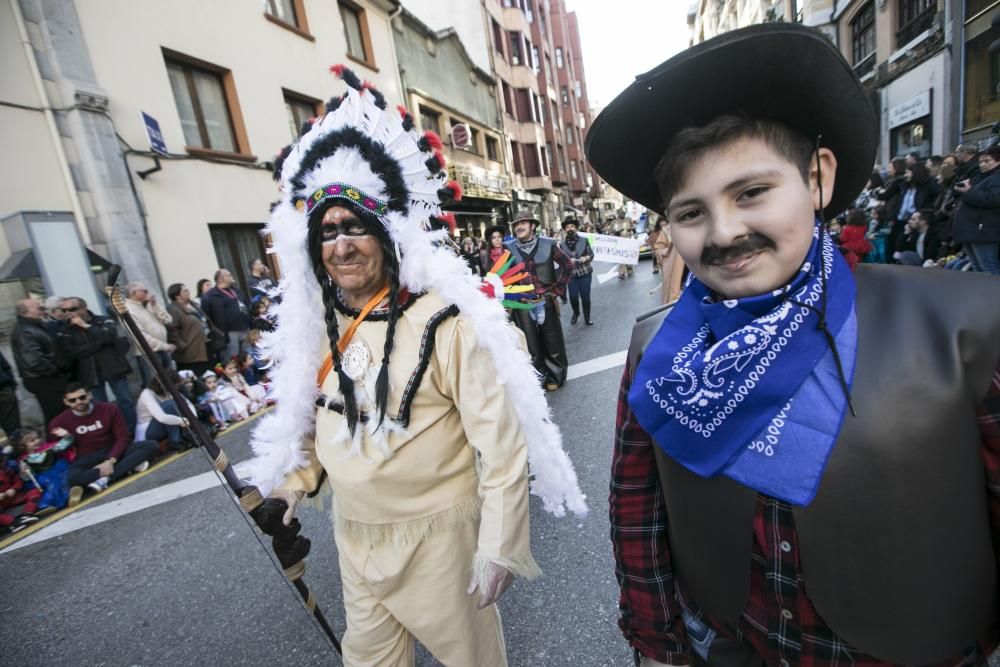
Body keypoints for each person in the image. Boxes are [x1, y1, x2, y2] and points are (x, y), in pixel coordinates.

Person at [587, 23, 1000, 665]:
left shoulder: (967, 325)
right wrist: (659, 645)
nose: (723, 233)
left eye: (751, 193)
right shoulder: (657, 350)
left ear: (817, 180)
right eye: (690, 213)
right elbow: (637, 508)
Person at [245, 65, 584, 666]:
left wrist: (498, 546)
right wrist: (287, 492)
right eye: (327, 232)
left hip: (441, 541)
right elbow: (317, 419)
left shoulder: (447, 323)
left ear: (387, 234)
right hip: (355, 539)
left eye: (355, 227)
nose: (341, 245)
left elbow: (500, 446)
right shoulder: (318, 329)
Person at [504, 210, 573, 391]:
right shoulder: (508, 248)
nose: (519, 227)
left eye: (523, 223)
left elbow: (568, 265)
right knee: (530, 345)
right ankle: (538, 380)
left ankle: (556, 376)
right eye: (516, 224)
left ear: (532, 225)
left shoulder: (548, 245)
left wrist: (558, 289)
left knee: (553, 342)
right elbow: (502, 275)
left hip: (545, 299)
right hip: (523, 304)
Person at [50, 383, 158, 496]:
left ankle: (104, 479)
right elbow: (55, 450)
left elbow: (123, 437)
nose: (78, 402)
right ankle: (125, 468)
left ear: (89, 395)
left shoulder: (109, 409)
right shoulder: (58, 422)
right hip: (86, 458)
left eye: (82, 397)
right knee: (73, 478)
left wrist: (110, 461)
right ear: (66, 402)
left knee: (150, 446)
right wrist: (66, 438)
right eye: (73, 400)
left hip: (112, 451)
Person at [55, 296, 137, 434]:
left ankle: (133, 432)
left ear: (83, 308)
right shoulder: (64, 330)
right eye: (64, 310)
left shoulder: (102, 320)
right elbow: (74, 352)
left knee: (126, 401)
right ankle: (112, 434)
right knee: (99, 407)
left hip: (112, 367)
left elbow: (109, 336)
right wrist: (99, 344)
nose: (68, 313)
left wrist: (86, 326)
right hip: (89, 373)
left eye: (72, 309)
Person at [12, 298, 69, 425]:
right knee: (56, 415)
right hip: (45, 379)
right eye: (39, 308)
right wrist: (56, 371)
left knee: (61, 413)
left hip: (49, 377)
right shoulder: (25, 331)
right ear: (25, 313)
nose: (43, 310)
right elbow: (34, 361)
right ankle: (57, 442)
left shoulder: (35, 326)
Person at [952, 143, 1000, 275]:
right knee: (977, 267)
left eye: (987, 161)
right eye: (981, 161)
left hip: (984, 230)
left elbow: (993, 199)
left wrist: (969, 191)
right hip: (973, 229)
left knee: (987, 266)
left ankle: (994, 294)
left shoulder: (997, 177)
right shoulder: (982, 176)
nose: (982, 164)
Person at [12, 426, 75, 513]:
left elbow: (62, 445)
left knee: (63, 478)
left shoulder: (48, 448)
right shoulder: (23, 460)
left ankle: (68, 496)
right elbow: (27, 477)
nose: (37, 441)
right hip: (40, 476)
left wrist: (66, 436)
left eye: (38, 438)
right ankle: (45, 504)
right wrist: (25, 472)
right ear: (22, 446)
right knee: (50, 483)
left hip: (58, 468)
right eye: (32, 441)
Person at [124, 282, 175, 386]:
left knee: (171, 382)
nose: (148, 293)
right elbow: (140, 336)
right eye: (145, 291)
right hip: (149, 353)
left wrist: (155, 305)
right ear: (134, 293)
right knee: (156, 385)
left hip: (163, 349)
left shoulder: (147, 305)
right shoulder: (128, 310)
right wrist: (164, 346)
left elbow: (168, 320)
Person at [200, 269, 251, 361]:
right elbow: (206, 316)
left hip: (245, 329)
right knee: (232, 361)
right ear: (222, 279)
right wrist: (218, 332)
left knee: (248, 358)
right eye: (229, 275)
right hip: (228, 333)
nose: (232, 276)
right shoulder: (210, 295)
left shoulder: (236, 290)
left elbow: (246, 304)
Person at [165, 283, 213, 376]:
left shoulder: (193, 304)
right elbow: (172, 330)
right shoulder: (173, 309)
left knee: (209, 375)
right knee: (198, 376)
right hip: (190, 353)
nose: (188, 292)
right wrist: (182, 346)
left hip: (205, 346)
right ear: (177, 295)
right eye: (185, 291)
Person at [135, 373, 191, 452]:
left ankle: (187, 435)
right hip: (148, 432)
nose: (176, 388)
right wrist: (182, 420)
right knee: (169, 405)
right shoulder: (146, 394)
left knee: (177, 402)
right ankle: (176, 441)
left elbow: (187, 403)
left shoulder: (168, 391)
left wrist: (193, 418)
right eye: (175, 385)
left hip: (162, 425)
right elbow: (161, 418)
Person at [559, 217, 595, 325]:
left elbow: (591, 254)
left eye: (572, 226)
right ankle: (576, 312)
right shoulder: (561, 245)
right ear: (565, 230)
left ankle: (587, 317)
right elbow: (560, 259)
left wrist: (586, 258)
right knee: (573, 297)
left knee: (585, 297)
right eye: (567, 227)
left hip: (585, 272)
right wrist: (566, 261)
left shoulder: (584, 240)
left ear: (576, 228)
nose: (570, 229)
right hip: (571, 275)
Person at [0, 350, 21, 437]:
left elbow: (6, 366)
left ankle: (18, 448)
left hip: (4, 389)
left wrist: (12, 385)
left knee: (14, 428)